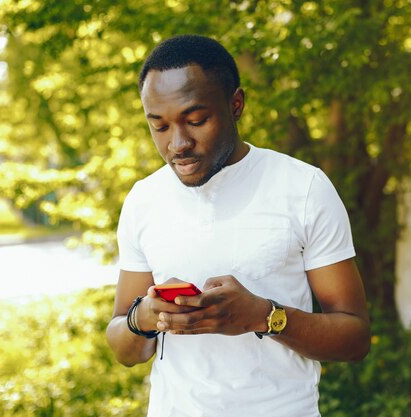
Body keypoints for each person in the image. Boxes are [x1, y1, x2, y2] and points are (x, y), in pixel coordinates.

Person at [106, 34, 370, 417]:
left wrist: (263, 316)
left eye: (196, 120)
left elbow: (355, 337)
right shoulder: (144, 200)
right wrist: (145, 317)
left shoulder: (303, 188)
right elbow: (122, 346)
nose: (177, 143)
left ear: (236, 104)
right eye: (159, 127)